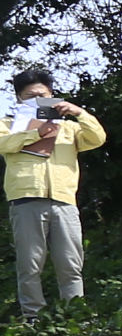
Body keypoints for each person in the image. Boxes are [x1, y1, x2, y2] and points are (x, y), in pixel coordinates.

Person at [6, 69, 104, 322]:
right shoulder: (8, 125)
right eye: (30, 96)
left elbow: (97, 138)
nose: (38, 100)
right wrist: (34, 134)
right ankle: (33, 318)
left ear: (52, 95)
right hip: (26, 199)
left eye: (43, 95)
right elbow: (3, 144)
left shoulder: (70, 129)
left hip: (64, 201)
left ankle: (76, 318)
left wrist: (79, 112)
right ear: (19, 99)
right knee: (30, 265)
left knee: (70, 265)